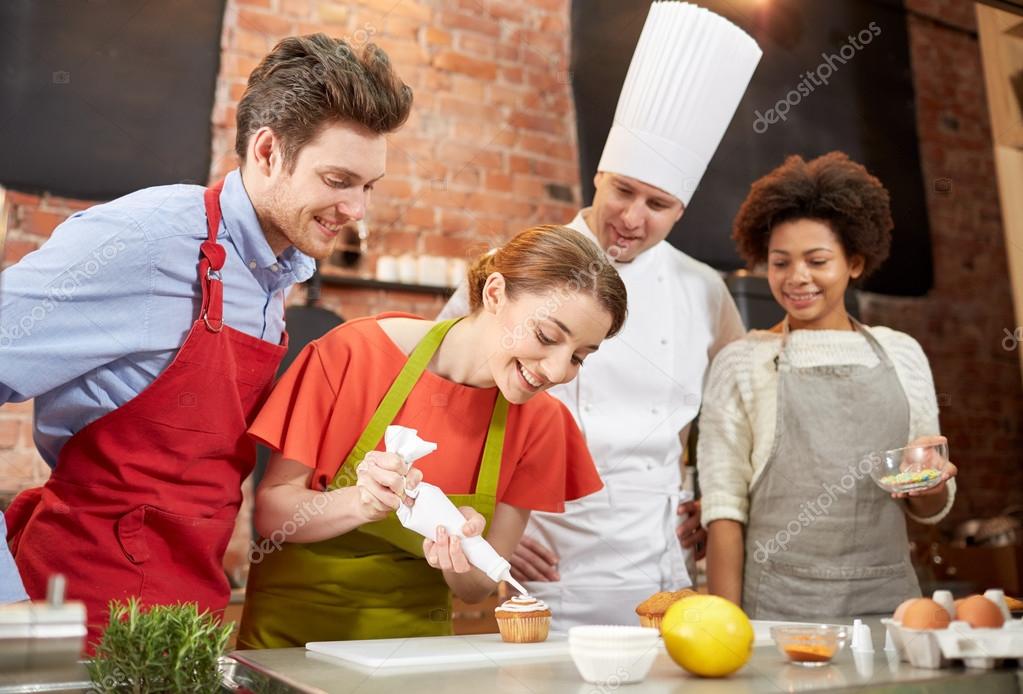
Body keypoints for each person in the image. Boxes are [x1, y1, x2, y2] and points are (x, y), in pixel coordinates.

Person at [0, 33, 412, 644]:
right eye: (337, 180)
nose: (357, 209)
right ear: (269, 151)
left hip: (185, 618)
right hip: (80, 619)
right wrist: (6, 602)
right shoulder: (146, 240)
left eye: (368, 186)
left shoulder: (275, 276)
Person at [437, 1, 761, 629]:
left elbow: (734, 417)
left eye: (658, 203)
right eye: (623, 190)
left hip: (659, 567)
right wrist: (470, 519)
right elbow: (437, 389)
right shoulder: (519, 268)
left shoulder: (704, 290)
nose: (632, 217)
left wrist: (711, 500)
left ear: (681, 211)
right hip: (542, 559)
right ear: (598, 174)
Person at [236, 225, 627, 647]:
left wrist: (460, 554)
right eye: (546, 337)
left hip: (414, 652)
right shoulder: (354, 353)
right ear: (495, 294)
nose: (555, 372)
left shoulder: (542, 423)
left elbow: (475, 588)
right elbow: (273, 514)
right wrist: (359, 502)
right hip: (292, 642)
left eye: (578, 358)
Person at [699, 152, 958, 619]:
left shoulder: (902, 354)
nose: (797, 278)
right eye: (780, 263)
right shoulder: (742, 361)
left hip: (890, 605)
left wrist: (930, 484)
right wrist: (725, 629)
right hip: (777, 609)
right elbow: (723, 511)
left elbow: (927, 504)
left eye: (817, 260)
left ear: (855, 262)